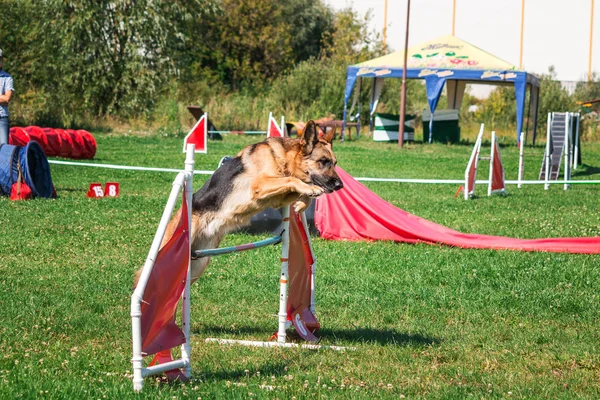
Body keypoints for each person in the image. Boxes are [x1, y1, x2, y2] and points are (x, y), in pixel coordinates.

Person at [0, 49, 14, 145]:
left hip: (2, 117)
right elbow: (3, 98)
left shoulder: (8, 77)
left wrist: (4, 98)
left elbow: (7, 98)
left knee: (3, 146)